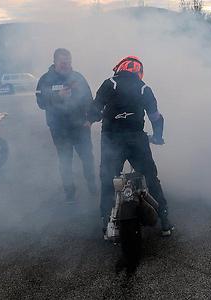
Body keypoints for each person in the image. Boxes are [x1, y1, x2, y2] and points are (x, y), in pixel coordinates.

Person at [88, 56, 174, 237]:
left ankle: (106, 224)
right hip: (136, 139)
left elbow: (94, 110)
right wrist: (158, 137)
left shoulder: (109, 83)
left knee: (107, 180)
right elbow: (156, 117)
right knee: (151, 178)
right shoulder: (144, 88)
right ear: (139, 72)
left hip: (111, 139)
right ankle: (165, 221)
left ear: (120, 68)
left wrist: (89, 121)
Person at [36, 48, 97, 204]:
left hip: (80, 126)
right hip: (59, 128)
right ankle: (69, 192)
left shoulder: (78, 77)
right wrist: (58, 96)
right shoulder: (45, 79)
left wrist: (89, 120)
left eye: (69, 62)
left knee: (87, 157)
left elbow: (89, 99)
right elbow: (41, 103)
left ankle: (92, 186)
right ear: (55, 62)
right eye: (63, 63)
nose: (67, 65)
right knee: (65, 161)